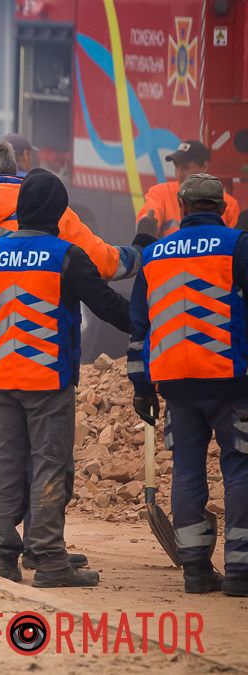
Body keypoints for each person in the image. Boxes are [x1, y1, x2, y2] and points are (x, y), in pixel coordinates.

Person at [0, 140, 141, 567]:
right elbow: (105, 265)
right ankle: (41, 546)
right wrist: (142, 255)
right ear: (17, 168)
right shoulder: (55, 216)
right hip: (42, 361)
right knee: (46, 453)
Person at [0, 169, 131, 587]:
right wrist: (151, 322)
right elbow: (107, 305)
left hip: (2, 379)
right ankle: (48, 560)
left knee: (5, 464)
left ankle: (2, 555)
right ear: (59, 212)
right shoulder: (66, 255)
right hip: (48, 378)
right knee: (50, 464)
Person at [127, 173, 248, 597]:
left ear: (180, 207)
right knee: (240, 466)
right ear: (220, 207)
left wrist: (141, 384)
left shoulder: (155, 254)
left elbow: (139, 326)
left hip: (174, 380)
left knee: (188, 468)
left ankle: (195, 570)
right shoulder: (239, 244)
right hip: (230, 378)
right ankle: (241, 571)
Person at [137, 141, 243, 237]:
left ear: (204, 167)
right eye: (176, 166)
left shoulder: (229, 204)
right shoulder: (160, 193)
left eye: (185, 168)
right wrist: (146, 224)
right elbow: (147, 222)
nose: (179, 174)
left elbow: (234, 245)